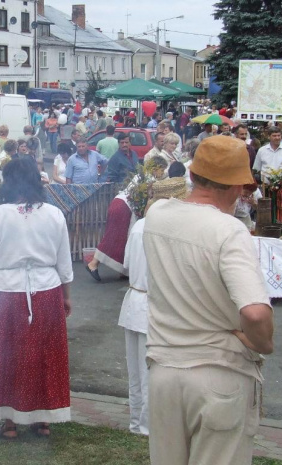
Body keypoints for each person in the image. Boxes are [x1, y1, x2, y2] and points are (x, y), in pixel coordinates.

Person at [144, 135, 274, 465]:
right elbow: (256, 313)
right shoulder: (229, 231)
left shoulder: (158, 215)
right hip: (219, 374)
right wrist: (262, 343)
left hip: (164, 373)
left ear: (193, 174)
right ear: (234, 185)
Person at [0, 158, 73, 439]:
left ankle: (9, 424)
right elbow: (64, 264)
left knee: (6, 357)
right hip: (46, 294)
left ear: (8, 183)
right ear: (36, 180)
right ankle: (42, 421)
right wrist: (66, 297)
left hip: (5, 296)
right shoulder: (54, 214)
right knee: (43, 357)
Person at [120, 174, 188, 437]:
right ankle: (146, 426)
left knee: (136, 371)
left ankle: (137, 421)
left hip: (134, 301)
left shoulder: (139, 226)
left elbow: (127, 264)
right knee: (151, 371)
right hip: (154, 306)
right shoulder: (169, 231)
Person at [86, 155, 168, 282]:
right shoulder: (149, 178)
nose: (162, 173)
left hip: (120, 203)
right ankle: (93, 264)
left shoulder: (142, 175)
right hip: (124, 207)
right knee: (113, 237)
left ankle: (124, 271)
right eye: (162, 169)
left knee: (125, 239)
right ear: (157, 168)